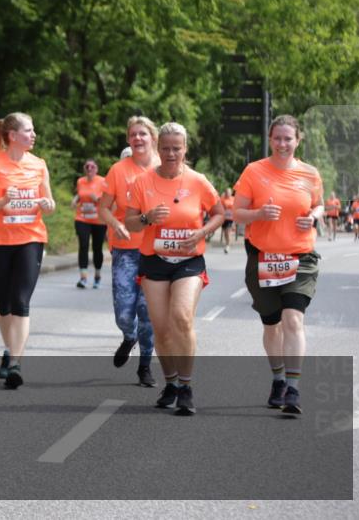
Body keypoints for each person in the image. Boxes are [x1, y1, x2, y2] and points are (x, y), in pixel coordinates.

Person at [125, 123, 224, 415]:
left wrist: (202, 232)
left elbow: (220, 213)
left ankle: (186, 386)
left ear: (185, 149)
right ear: (158, 149)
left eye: (176, 148)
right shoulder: (142, 182)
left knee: (181, 318)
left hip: (189, 261)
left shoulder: (198, 181)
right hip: (154, 261)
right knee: (161, 328)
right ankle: (170, 383)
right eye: (166, 148)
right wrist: (147, 218)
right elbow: (130, 223)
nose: (171, 153)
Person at [233, 115, 324, 414]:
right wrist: (258, 214)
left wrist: (313, 216)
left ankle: (293, 390)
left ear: (298, 140)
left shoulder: (310, 174)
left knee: (293, 319)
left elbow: (318, 204)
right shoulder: (254, 171)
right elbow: (237, 213)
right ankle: (278, 380)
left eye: (288, 139)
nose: (282, 144)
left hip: (300, 257)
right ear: (270, 139)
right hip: (263, 258)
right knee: (272, 326)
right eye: (277, 138)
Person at [0, 112, 55, 389]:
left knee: (20, 302)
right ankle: (9, 350)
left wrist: (47, 205)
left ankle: (15, 363)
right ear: (13, 135)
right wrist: (2, 201)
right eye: (28, 130)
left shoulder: (39, 165)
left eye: (33, 130)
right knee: (4, 305)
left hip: (31, 239)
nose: (34, 135)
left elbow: (50, 203)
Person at [97, 116, 159, 388]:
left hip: (155, 251)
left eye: (142, 134)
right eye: (133, 134)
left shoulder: (164, 167)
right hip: (125, 250)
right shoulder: (118, 170)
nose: (138, 138)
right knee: (124, 313)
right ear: (128, 139)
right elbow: (103, 208)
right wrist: (116, 224)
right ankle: (129, 335)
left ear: (153, 137)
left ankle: (145, 365)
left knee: (147, 312)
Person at [71, 159, 108, 289]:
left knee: (97, 248)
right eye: (87, 166)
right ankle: (83, 278)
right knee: (83, 245)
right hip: (82, 218)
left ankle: (97, 276)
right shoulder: (80, 181)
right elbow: (80, 194)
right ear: (84, 169)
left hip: (99, 220)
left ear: (97, 169)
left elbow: (108, 200)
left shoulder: (103, 181)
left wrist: (97, 199)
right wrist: (75, 199)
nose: (90, 169)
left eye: (92, 166)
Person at [220, 188, 236, 253]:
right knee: (225, 232)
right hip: (224, 218)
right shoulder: (222, 199)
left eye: (229, 192)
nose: (227, 194)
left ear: (231, 193)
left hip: (231, 218)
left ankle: (228, 245)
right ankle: (227, 243)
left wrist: (235, 220)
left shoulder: (233, 199)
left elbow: (236, 209)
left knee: (227, 232)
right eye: (226, 192)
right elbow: (220, 208)